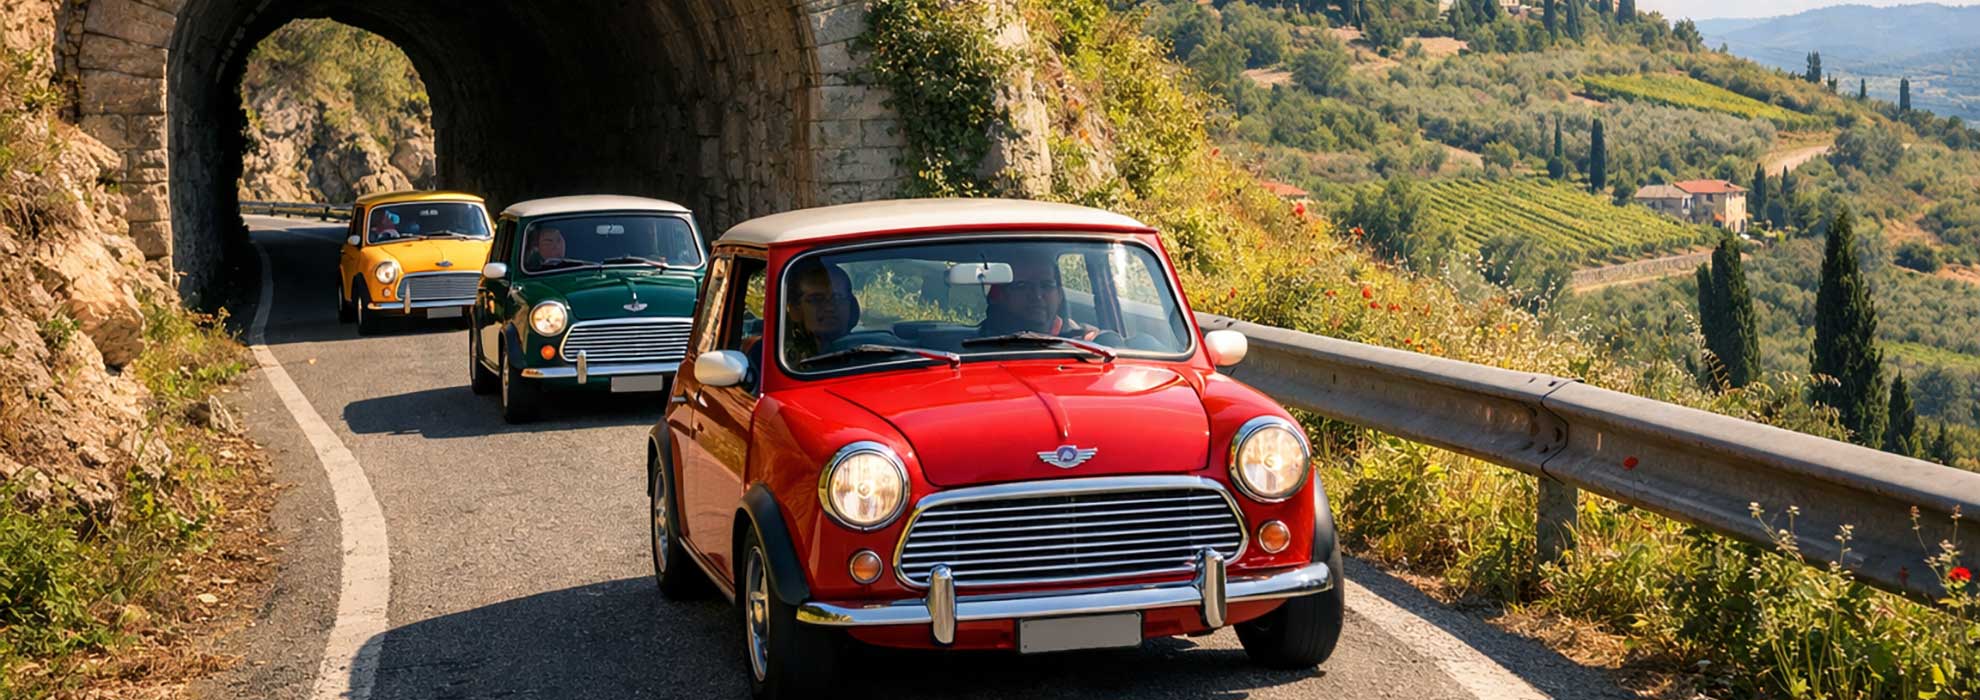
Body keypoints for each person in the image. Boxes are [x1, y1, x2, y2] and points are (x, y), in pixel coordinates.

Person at [978, 249, 1106, 341]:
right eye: (1022, 286)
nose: (1037, 295)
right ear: (1001, 296)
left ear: (1060, 294)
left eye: (1047, 285)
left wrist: (1098, 340)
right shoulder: (976, 348)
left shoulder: (1087, 343)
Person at [783, 259, 857, 361]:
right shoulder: (781, 359)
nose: (830, 307)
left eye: (838, 298)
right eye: (816, 300)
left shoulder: (873, 354)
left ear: (851, 306)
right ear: (795, 310)